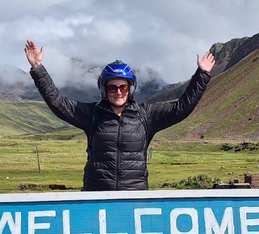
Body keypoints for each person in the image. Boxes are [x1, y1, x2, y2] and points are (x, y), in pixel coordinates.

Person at [24, 40, 215, 191]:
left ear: (130, 89)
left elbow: (182, 107)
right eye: (112, 87)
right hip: (95, 196)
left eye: (123, 86)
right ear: (104, 89)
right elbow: (58, 103)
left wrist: (202, 74)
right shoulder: (92, 114)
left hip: (134, 196)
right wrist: (38, 69)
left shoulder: (146, 115)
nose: (118, 92)